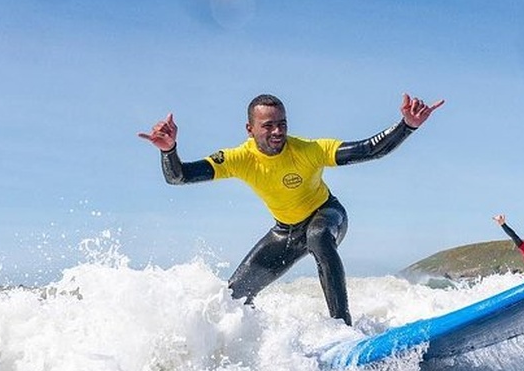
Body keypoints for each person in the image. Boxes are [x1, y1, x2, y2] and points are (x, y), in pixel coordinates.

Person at [138, 93, 444, 325]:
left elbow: (368, 149)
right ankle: (253, 345)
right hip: (284, 233)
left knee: (318, 236)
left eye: (282, 123)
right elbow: (178, 177)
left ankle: (342, 327)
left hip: (327, 215)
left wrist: (407, 126)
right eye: (268, 125)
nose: (277, 131)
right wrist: (169, 150)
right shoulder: (238, 159)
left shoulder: (308, 150)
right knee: (232, 299)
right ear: (250, 129)